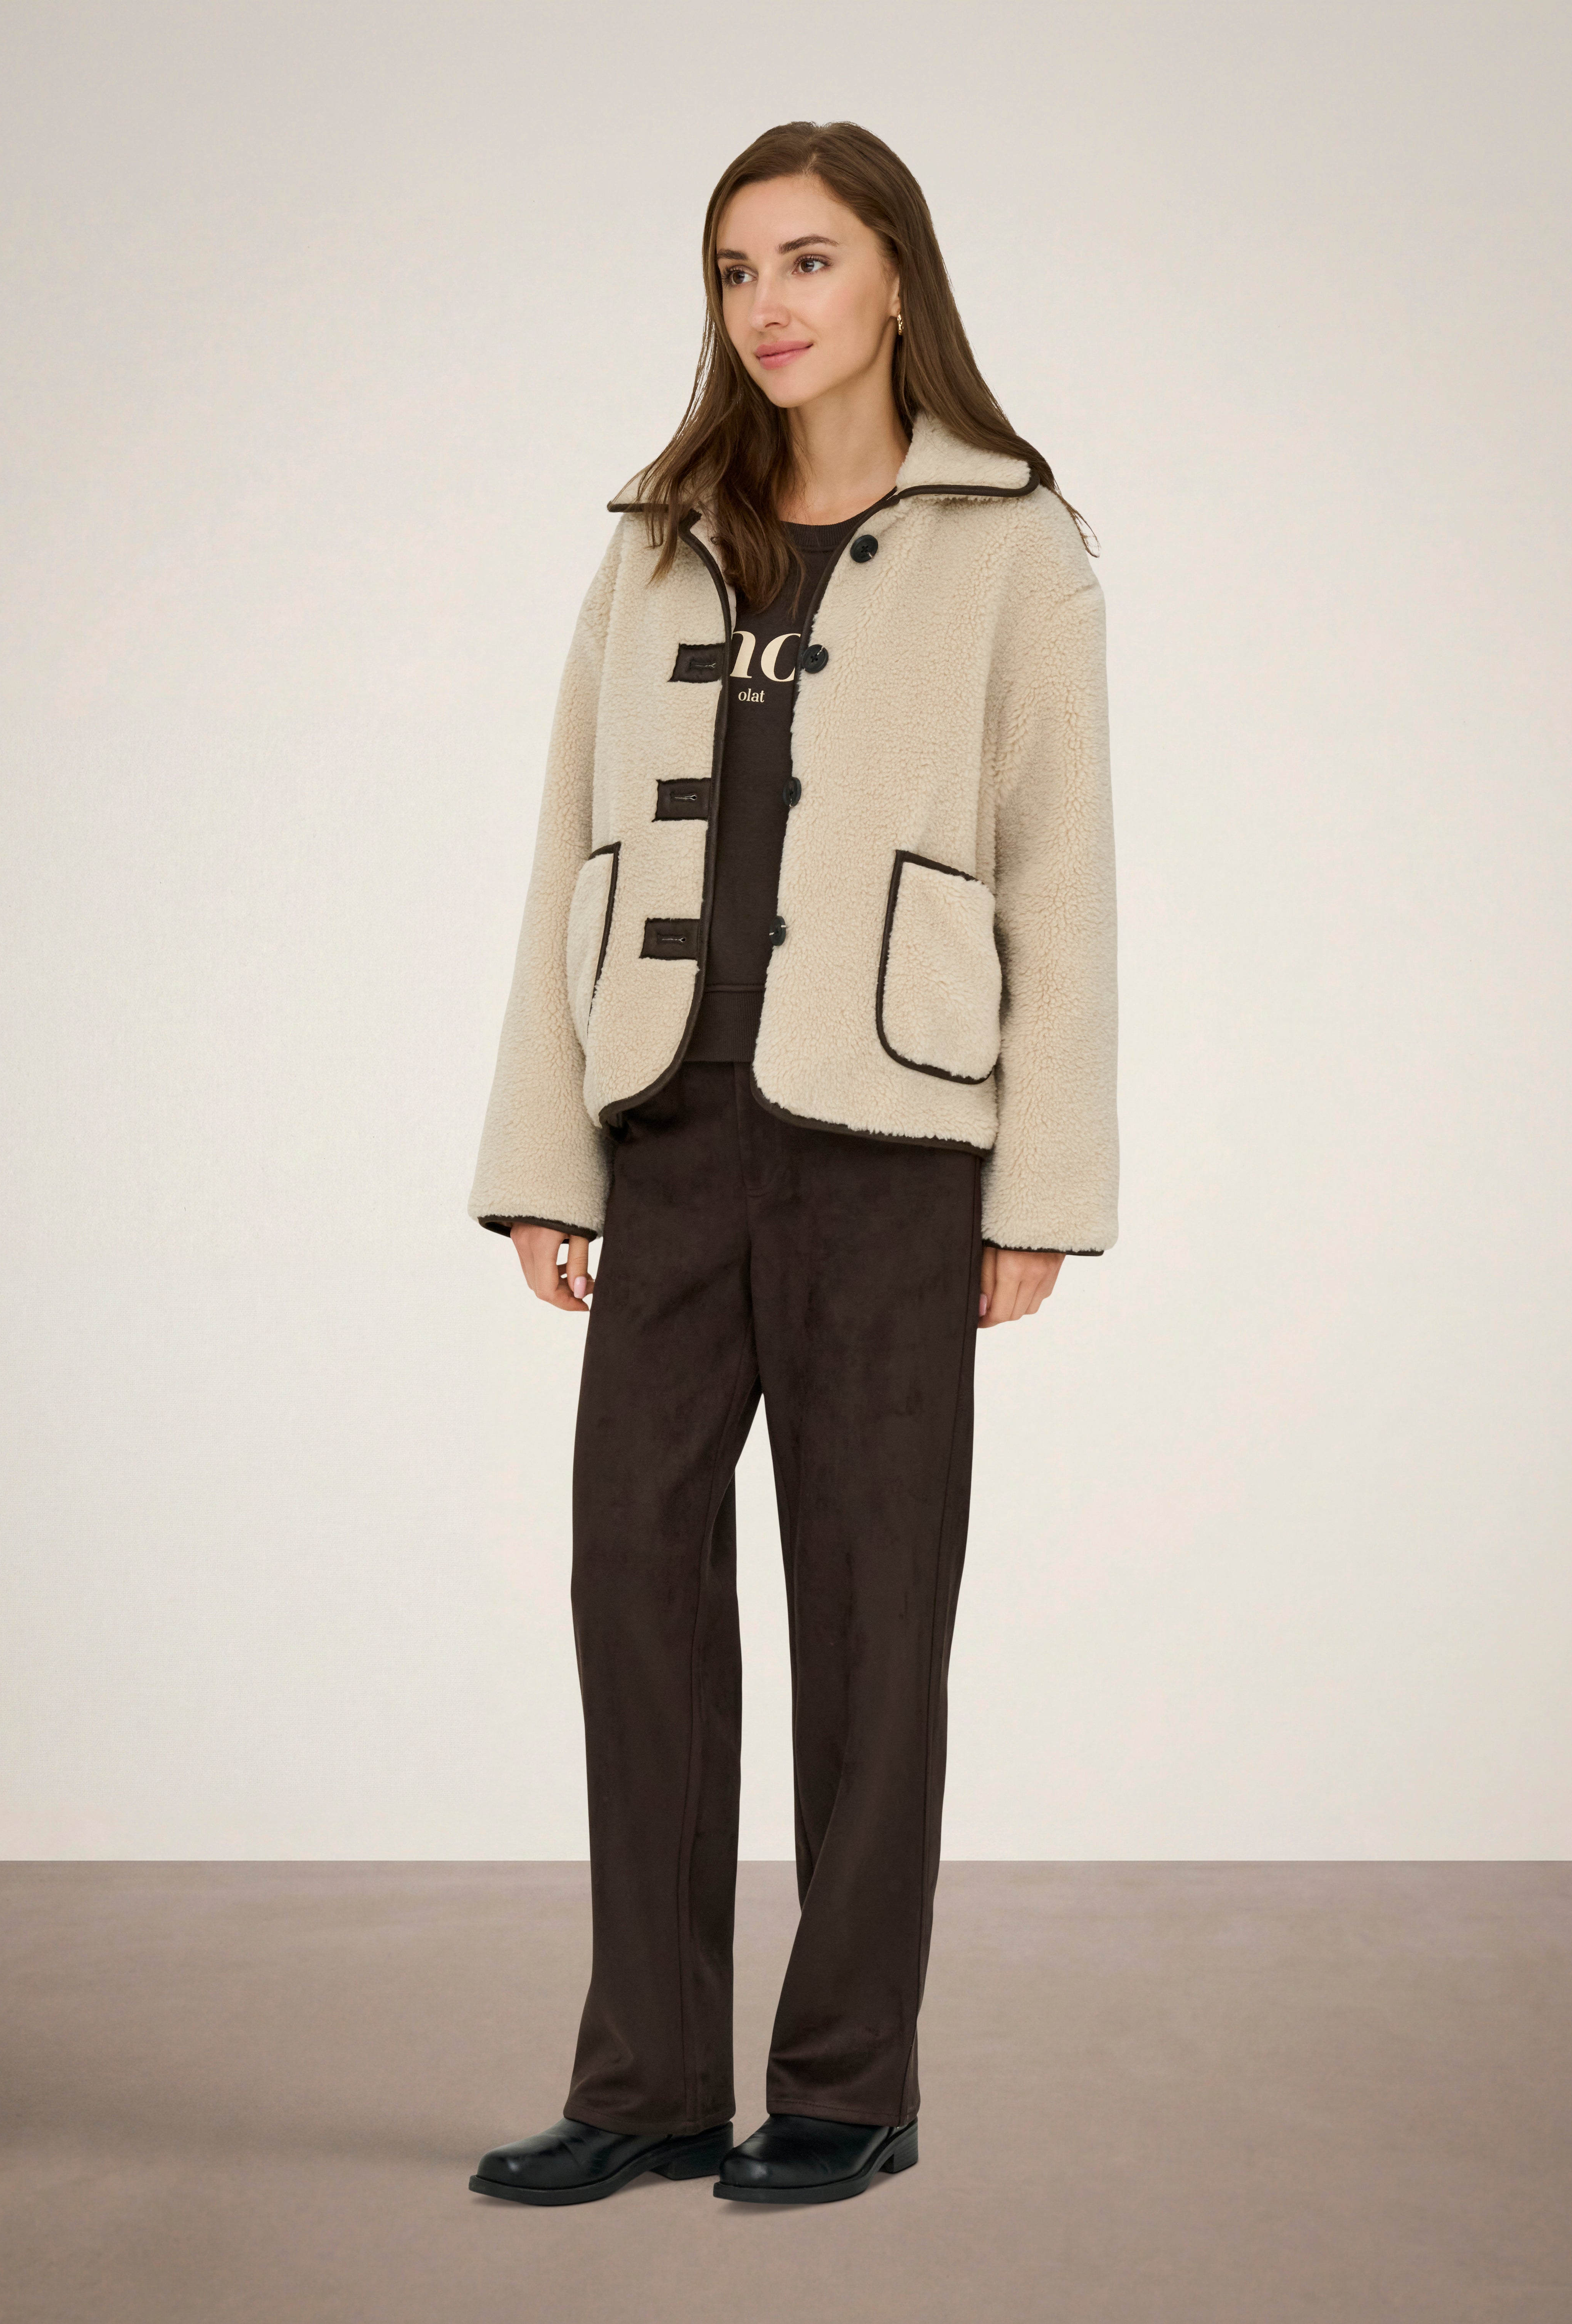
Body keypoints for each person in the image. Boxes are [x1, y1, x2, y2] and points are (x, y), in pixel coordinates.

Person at [464, 118, 1116, 2208]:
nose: (768, 304)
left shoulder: (1014, 539)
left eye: (809, 259)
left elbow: (1061, 873)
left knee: (870, 1613)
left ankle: (846, 2080)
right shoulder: (658, 536)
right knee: (634, 1595)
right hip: (668, 1133)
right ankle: (649, 2083)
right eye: (737, 269)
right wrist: (543, 1154)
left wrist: (1039, 1192)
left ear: (896, 275)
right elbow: (566, 848)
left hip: (891, 1148)